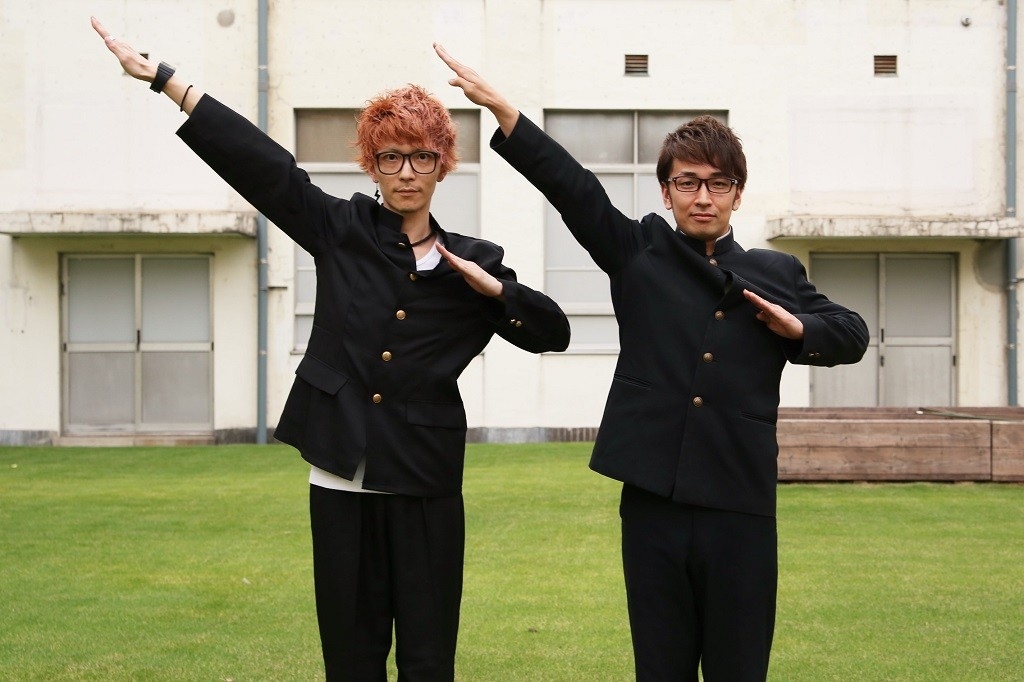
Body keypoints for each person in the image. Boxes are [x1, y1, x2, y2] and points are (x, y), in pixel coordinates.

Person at [92, 18, 570, 681]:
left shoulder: (475, 261)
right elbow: (262, 167)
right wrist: (166, 80)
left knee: (429, 657)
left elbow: (552, 333)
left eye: (422, 157)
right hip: (339, 475)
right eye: (391, 158)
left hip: (426, 481)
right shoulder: (341, 229)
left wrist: (497, 292)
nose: (407, 172)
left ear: (443, 164)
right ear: (372, 165)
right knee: (350, 656)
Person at [435, 44, 869, 681]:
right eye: (687, 182)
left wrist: (799, 327)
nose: (702, 197)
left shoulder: (776, 272)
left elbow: (852, 333)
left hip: (740, 503)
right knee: (660, 667)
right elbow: (575, 191)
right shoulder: (640, 253)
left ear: (737, 194)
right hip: (652, 502)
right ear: (667, 191)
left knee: (740, 667)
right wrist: (506, 113)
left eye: (717, 184)